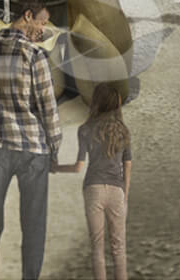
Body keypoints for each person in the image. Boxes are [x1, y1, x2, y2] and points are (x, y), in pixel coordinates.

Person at [0, 0, 62, 280]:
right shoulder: (34, 56)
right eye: (42, 22)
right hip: (33, 151)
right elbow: (48, 109)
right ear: (28, 16)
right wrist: (54, 149)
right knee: (33, 226)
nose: (42, 30)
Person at [56, 83, 132, 280]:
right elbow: (127, 166)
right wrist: (125, 195)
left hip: (93, 189)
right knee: (118, 247)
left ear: (96, 102)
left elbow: (78, 167)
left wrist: (55, 168)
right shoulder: (123, 131)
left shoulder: (85, 129)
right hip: (117, 190)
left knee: (97, 247)